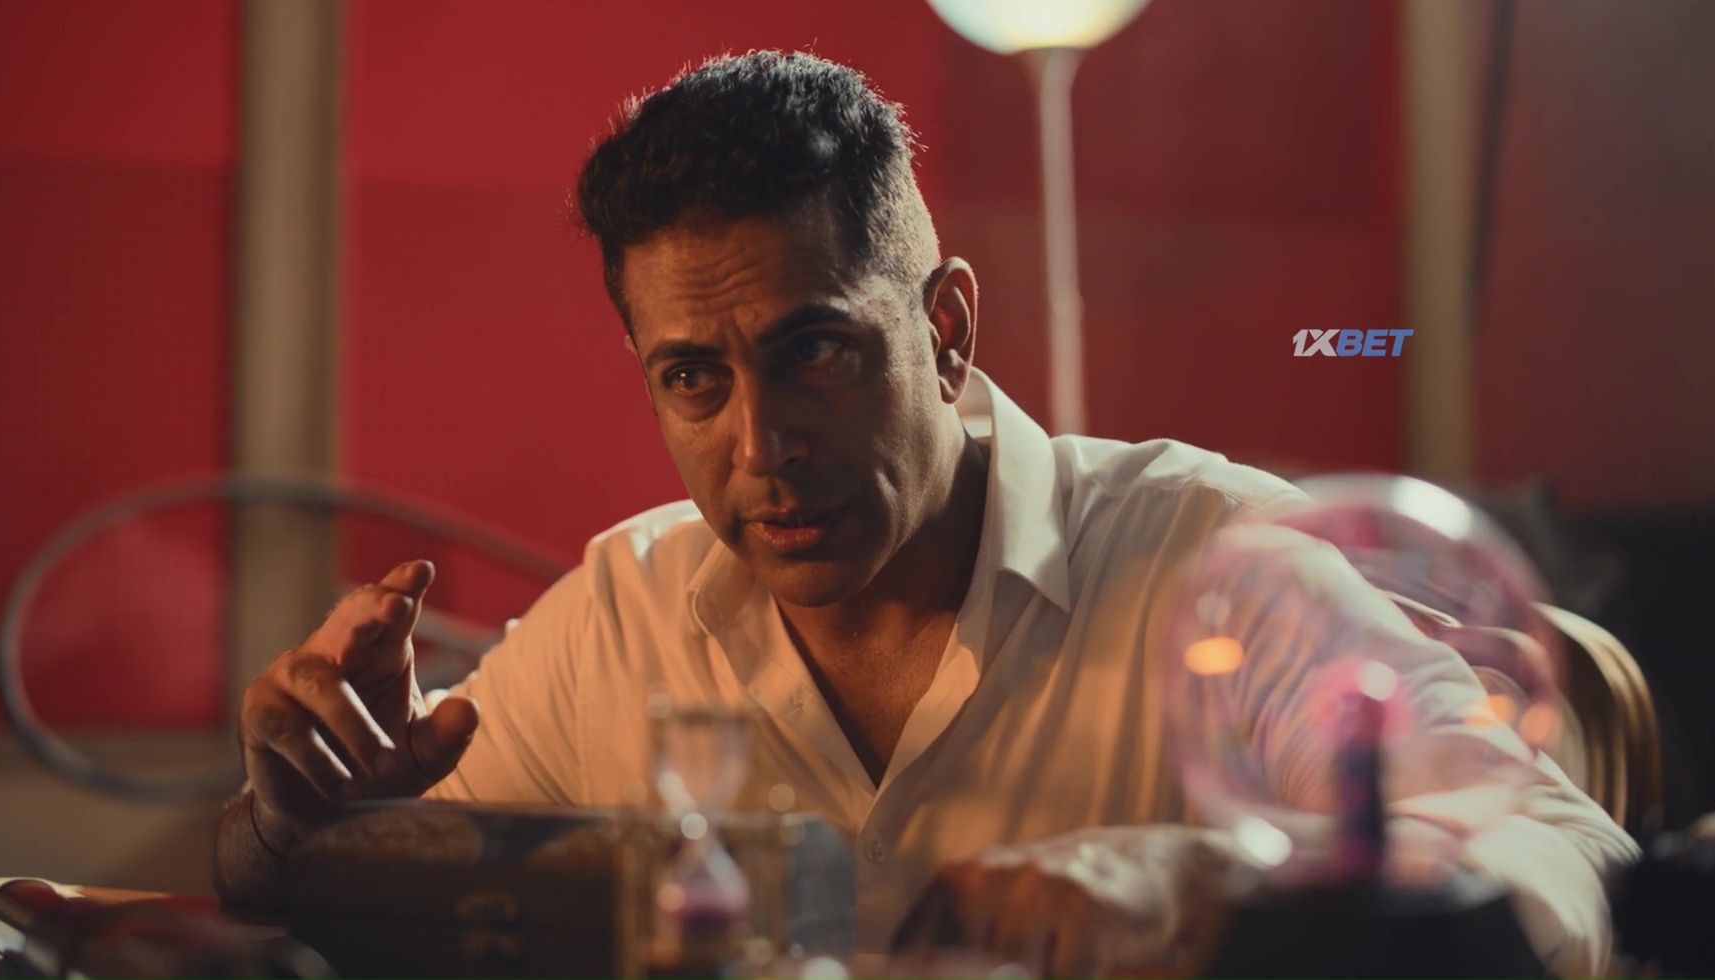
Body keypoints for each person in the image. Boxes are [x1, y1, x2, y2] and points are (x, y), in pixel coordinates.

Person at [214, 51, 1636, 980]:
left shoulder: (1215, 559)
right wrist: (299, 826)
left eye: (816, 352)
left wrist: (1224, 882)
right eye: (695, 378)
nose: (760, 446)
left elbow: (1567, 855)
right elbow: (313, 902)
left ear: (946, 330)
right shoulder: (624, 611)